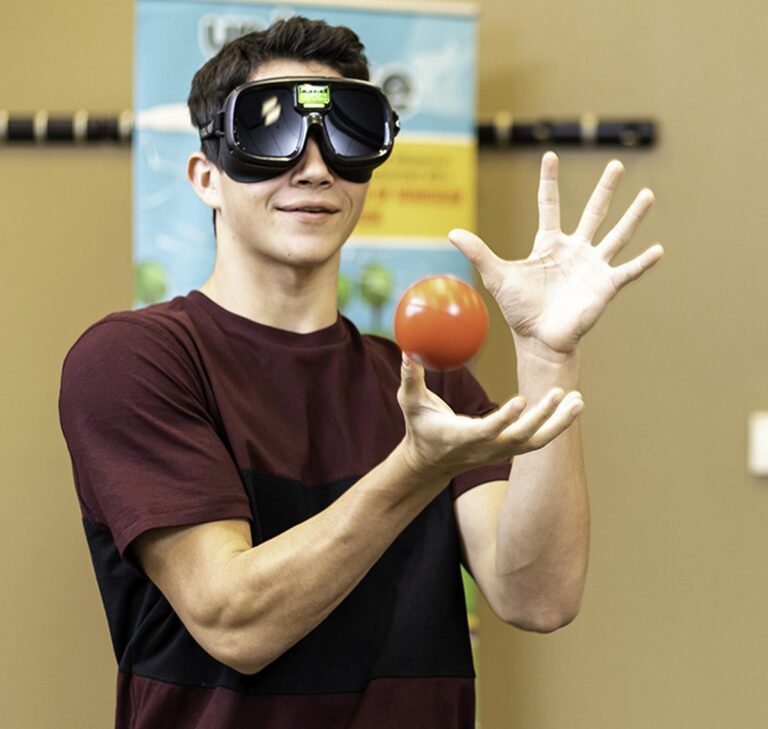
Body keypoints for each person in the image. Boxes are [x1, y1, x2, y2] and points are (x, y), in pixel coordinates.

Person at [58, 16, 663, 729]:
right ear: (206, 176)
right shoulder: (135, 360)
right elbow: (234, 619)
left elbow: (538, 595)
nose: (315, 168)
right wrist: (414, 470)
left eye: (345, 134)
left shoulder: (428, 384)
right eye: (271, 133)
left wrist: (548, 353)